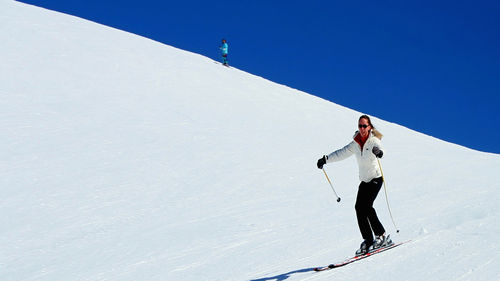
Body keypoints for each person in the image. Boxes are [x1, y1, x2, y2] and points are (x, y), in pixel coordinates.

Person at [316, 115, 392, 256]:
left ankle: (381, 236)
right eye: (360, 126)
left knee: (367, 206)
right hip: (364, 180)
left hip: (376, 178)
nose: (362, 129)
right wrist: (326, 159)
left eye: (364, 126)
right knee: (359, 208)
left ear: (370, 127)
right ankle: (369, 240)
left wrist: (379, 153)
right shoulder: (356, 143)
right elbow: (342, 153)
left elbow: (382, 150)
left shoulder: (373, 141)